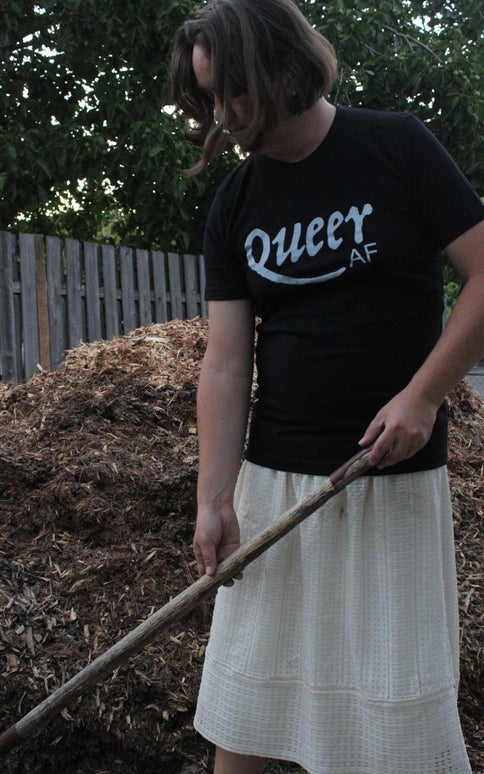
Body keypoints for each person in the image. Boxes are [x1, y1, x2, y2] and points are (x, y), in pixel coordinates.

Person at [170, 1, 484, 772]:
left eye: (230, 91)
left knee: (391, 735)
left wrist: (424, 396)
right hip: (275, 490)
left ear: (281, 68)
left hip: (389, 485)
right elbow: (224, 362)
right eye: (207, 98)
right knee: (245, 725)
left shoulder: (396, 147)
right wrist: (215, 499)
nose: (221, 115)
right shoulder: (236, 203)